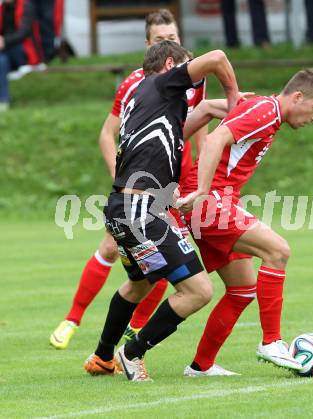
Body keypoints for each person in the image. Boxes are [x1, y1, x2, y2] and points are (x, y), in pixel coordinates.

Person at [49, 9, 207, 349]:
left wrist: (200, 182)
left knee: (157, 267)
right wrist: (122, 178)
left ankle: (128, 336)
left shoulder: (193, 79)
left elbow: (198, 131)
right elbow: (108, 134)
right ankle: (74, 319)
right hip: (140, 189)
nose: (169, 44)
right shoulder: (137, 83)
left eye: (174, 39)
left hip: (174, 186)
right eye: (162, 41)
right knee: (124, 250)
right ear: (149, 45)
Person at [84, 40, 240, 382]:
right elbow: (217, 58)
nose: (193, 87)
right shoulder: (164, 82)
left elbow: (185, 126)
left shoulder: (143, 97)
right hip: (142, 211)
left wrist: (224, 110)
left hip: (122, 209)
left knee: (139, 284)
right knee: (199, 290)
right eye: (189, 75)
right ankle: (133, 351)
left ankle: (102, 355)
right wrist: (233, 96)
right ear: (171, 65)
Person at [177, 68, 313, 376]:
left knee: (242, 289)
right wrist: (202, 192)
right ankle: (271, 341)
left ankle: (201, 366)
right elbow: (214, 141)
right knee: (279, 251)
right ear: (298, 97)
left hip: (216, 200)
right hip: (210, 201)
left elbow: (211, 112)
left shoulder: (267, 112)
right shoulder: (266, 111)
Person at [0, 0, 42, 111]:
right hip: (5, 52)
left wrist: (5, 42)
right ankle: (3, 100)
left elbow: (24, 32)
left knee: (6, 54)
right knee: (1, 61)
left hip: (24, 51)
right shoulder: (2, 9)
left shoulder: (26, 6)